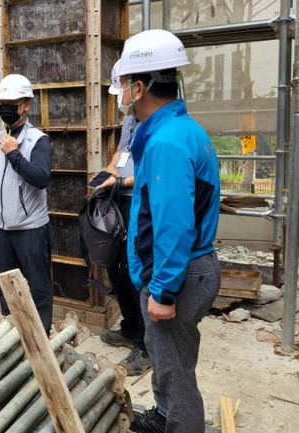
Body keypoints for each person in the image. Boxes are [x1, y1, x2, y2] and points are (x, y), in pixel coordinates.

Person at [116, 30, 221, 433]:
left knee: (177, 370)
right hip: (184, 268)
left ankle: (179, 423)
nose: (122, 92)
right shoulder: (178, 130)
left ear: (140, 86)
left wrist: (162, 291)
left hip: (178, 273)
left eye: (126, 83)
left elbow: (174, 226)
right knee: (167, 357)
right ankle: (163, 414)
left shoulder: (166, 143)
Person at [0, 74, 53, 333]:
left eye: (12, 102)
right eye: (3, 102)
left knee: (38, 288)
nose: (6, 108)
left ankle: (41, 338)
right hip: (3, 229)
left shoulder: (38, 140)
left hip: (31, 229)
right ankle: (12, 335)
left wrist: (14, 154)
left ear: (26, 105)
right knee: (5, 287)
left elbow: (41, 178)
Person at [95, 61, 151, 376]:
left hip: (137, 203)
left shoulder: (155, 126)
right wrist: (109, 170)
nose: (120, 98)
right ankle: (130, 326)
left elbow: (147, 173)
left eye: (122, 89)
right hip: (119, 200)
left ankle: (146, 345)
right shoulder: (131, 120)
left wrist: (119, 182)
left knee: (136, 272)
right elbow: (121, 152)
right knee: (117, 268)